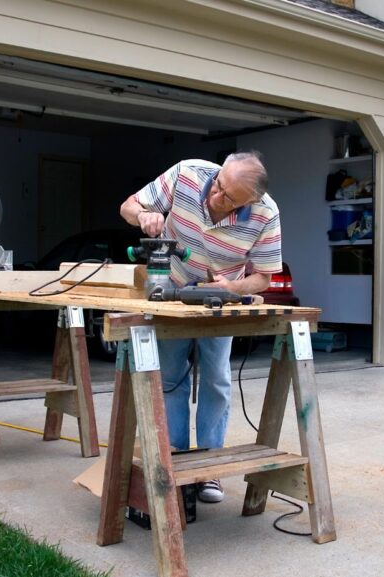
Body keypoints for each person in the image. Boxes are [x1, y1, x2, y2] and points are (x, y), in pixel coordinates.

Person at [119, 151, 282, 503]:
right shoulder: (188, 174)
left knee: (217, 380)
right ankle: (176, 459)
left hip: (219, 301)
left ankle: (209, 467)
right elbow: (127, 206)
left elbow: (264, 277)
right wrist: (145, 215)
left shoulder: (266, 214)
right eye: (219, 186)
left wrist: (233, 288)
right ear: (220, 170)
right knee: (170, 378)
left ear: (251, 201)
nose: (216, 197)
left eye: (229, 198)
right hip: (171, 293)